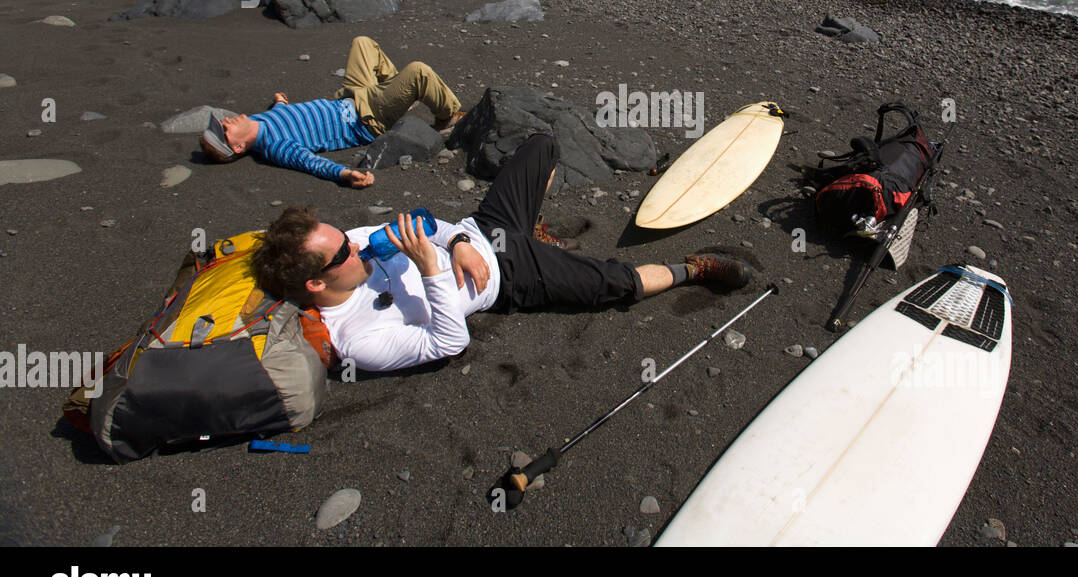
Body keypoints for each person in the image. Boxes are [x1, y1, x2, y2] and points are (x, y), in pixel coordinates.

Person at [252, 133, 752, 372]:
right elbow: (448, 344)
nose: (354, 244)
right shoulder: (358, 340)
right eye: (342, 252)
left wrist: (461, 241)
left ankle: (532, 226)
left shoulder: (356, 243)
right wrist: (431, 271)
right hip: (510, 277)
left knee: (543, 145)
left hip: (485, 232)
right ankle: (693, 268)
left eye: (345, 236)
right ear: (316, 282)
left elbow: (429, 223)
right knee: (618, 284)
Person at [200, 35, 465, 188]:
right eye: (225, 129)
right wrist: (346, 174)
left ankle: (395, 91)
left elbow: (281, 114)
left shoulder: (258, 121)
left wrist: (279, 102)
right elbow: (310, 163)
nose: (226, 120)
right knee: (419, 71)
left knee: (362, 43)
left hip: (349, 96)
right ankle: (449, 116)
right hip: (366, 118)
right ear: (237, 148)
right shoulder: (274, 146)